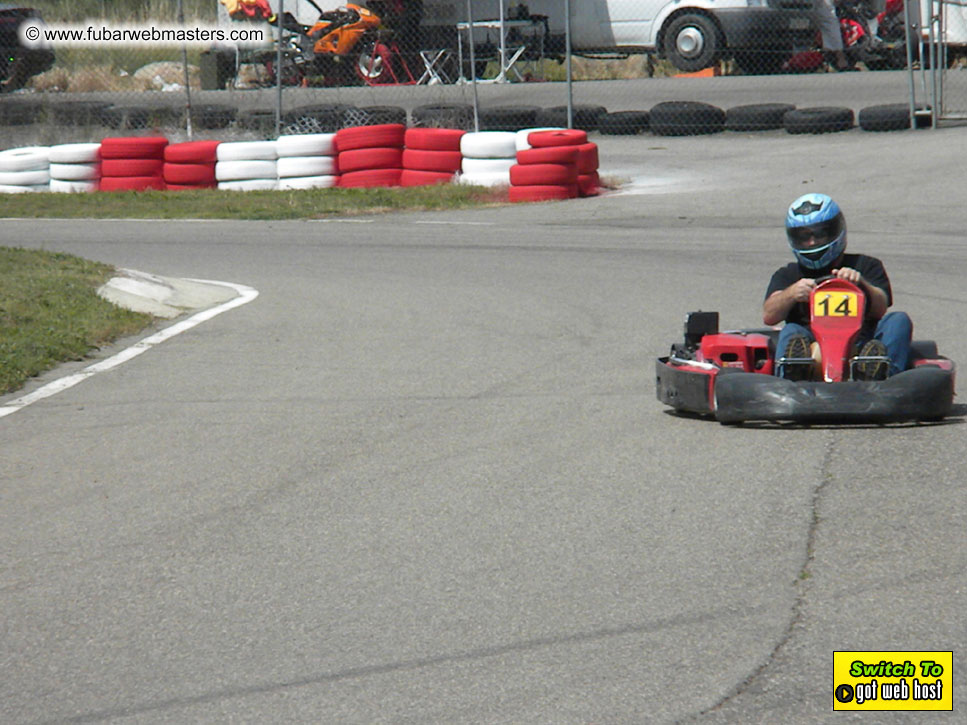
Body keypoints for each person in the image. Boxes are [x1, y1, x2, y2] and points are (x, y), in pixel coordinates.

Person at [764, 193, 912, 380]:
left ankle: (881, 376)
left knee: (898, 320)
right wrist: (792, 293)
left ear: (836, 230)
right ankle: (793, 377)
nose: (812, 242)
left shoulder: (866, 265)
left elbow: (880, 308)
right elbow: (769, 316)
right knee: (791, 330)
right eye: (803, 237)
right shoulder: (788, 274)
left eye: (819, 234)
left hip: (861, 344)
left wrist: (861, 284)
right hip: (813, 346)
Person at [811, 0, 854, 71]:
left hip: (824, 5)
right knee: (832, 26)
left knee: (830, 27)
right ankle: (840, 60)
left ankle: (828, 61)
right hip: (823, 5)